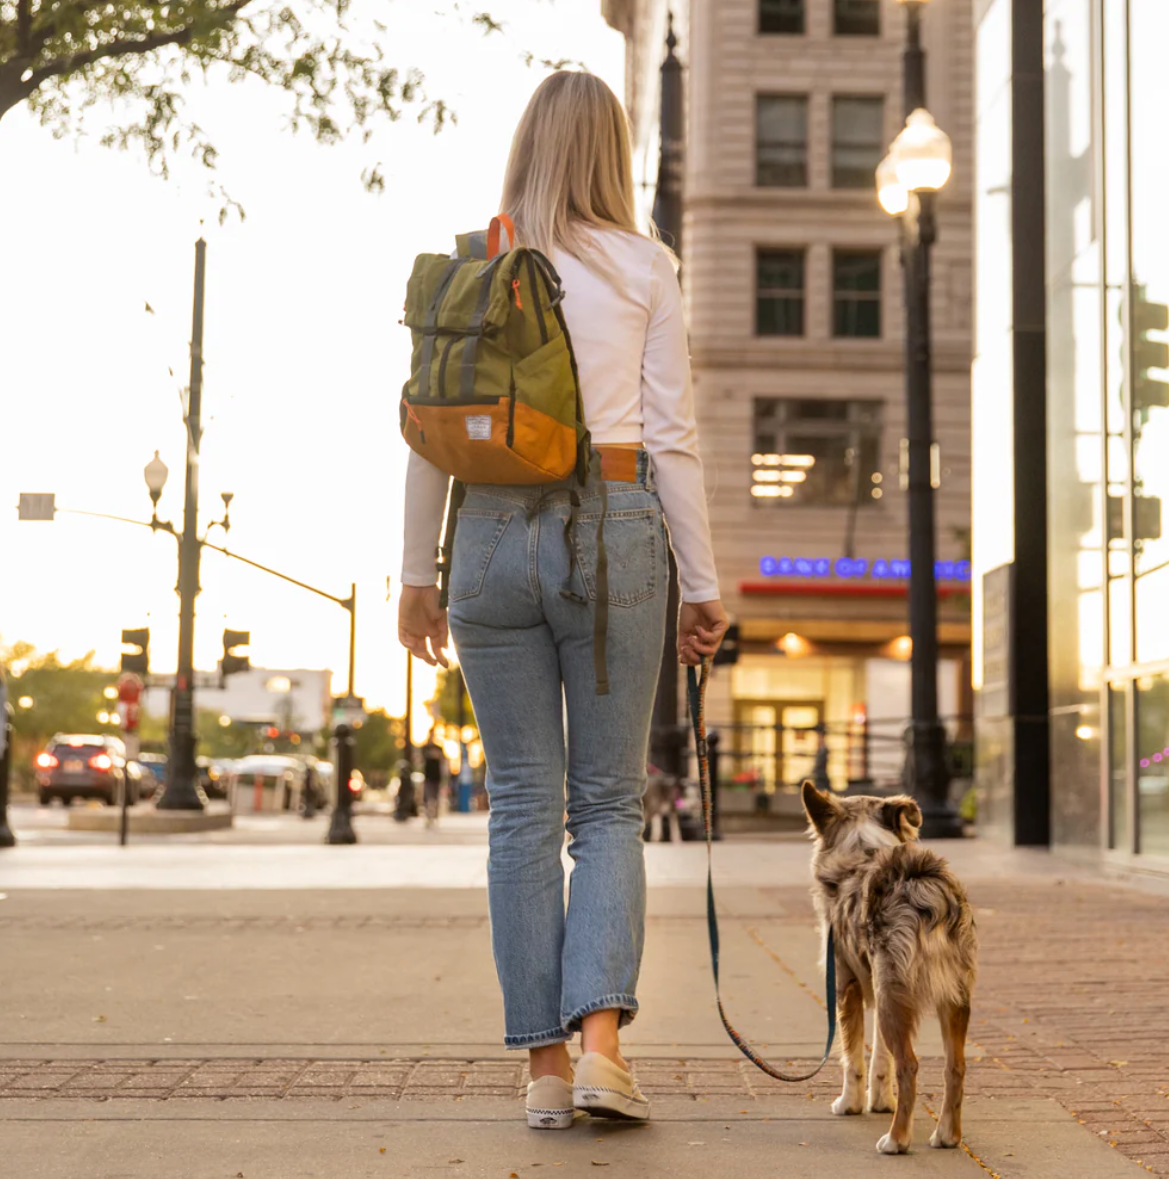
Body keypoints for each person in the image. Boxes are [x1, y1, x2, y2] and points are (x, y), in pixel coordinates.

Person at [397, 71, 727, 1129]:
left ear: (527, 147)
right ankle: (600, 1051)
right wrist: (701, 587)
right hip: (615, 530)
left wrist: (416, 576)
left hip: (487, 536)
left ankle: (540, 1070)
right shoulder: (642, 265)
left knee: (524, 810)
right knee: (605, 804)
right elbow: (671, 437)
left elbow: (427, 433)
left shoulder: (473, 261)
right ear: (612, 154)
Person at [421, 732, 444, 828]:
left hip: (437, 777)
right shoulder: (425, 748)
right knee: (429, 798)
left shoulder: (439, 747)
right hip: (428, 777)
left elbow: (442, 758)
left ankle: (435, 817)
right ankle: (429, 817)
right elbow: (420, 759)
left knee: (436, 799)